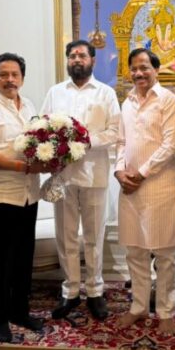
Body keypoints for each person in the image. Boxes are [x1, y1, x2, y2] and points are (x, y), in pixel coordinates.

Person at [0, 52, 49, 343]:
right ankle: (0, 320)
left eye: (15, 74)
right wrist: (23, 167)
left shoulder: (28, 105)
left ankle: (20, 311)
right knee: (0, 264)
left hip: (28, 195)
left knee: (23, 259)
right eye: (3, 75)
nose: (9, 80)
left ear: (22, 78)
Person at [41, 40, 120, 321]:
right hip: (63, 176)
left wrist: (86, 142)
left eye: (82, 55)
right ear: (68, 60)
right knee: (66, 237)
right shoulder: (55, 92)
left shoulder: (106, 93)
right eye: (72, 55)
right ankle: (70, 291)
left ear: (93, 61)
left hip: (94, 175)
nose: (77, 59)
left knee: (93, 238)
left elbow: (115, 131)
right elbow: (43, 126)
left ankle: (95, 292)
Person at [114, 48, 175, 335]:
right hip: (130, 188)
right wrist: (120, 171)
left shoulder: (169, 100)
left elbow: (170, 145)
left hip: (160, 187)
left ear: (155, 69)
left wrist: (141, 173)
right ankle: (139, 307)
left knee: (165, 254)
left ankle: (166, 311)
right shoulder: (127, 102)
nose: (139, 73)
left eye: (144, 67)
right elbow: (121, 142)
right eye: (134, 68)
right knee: (135, 251)